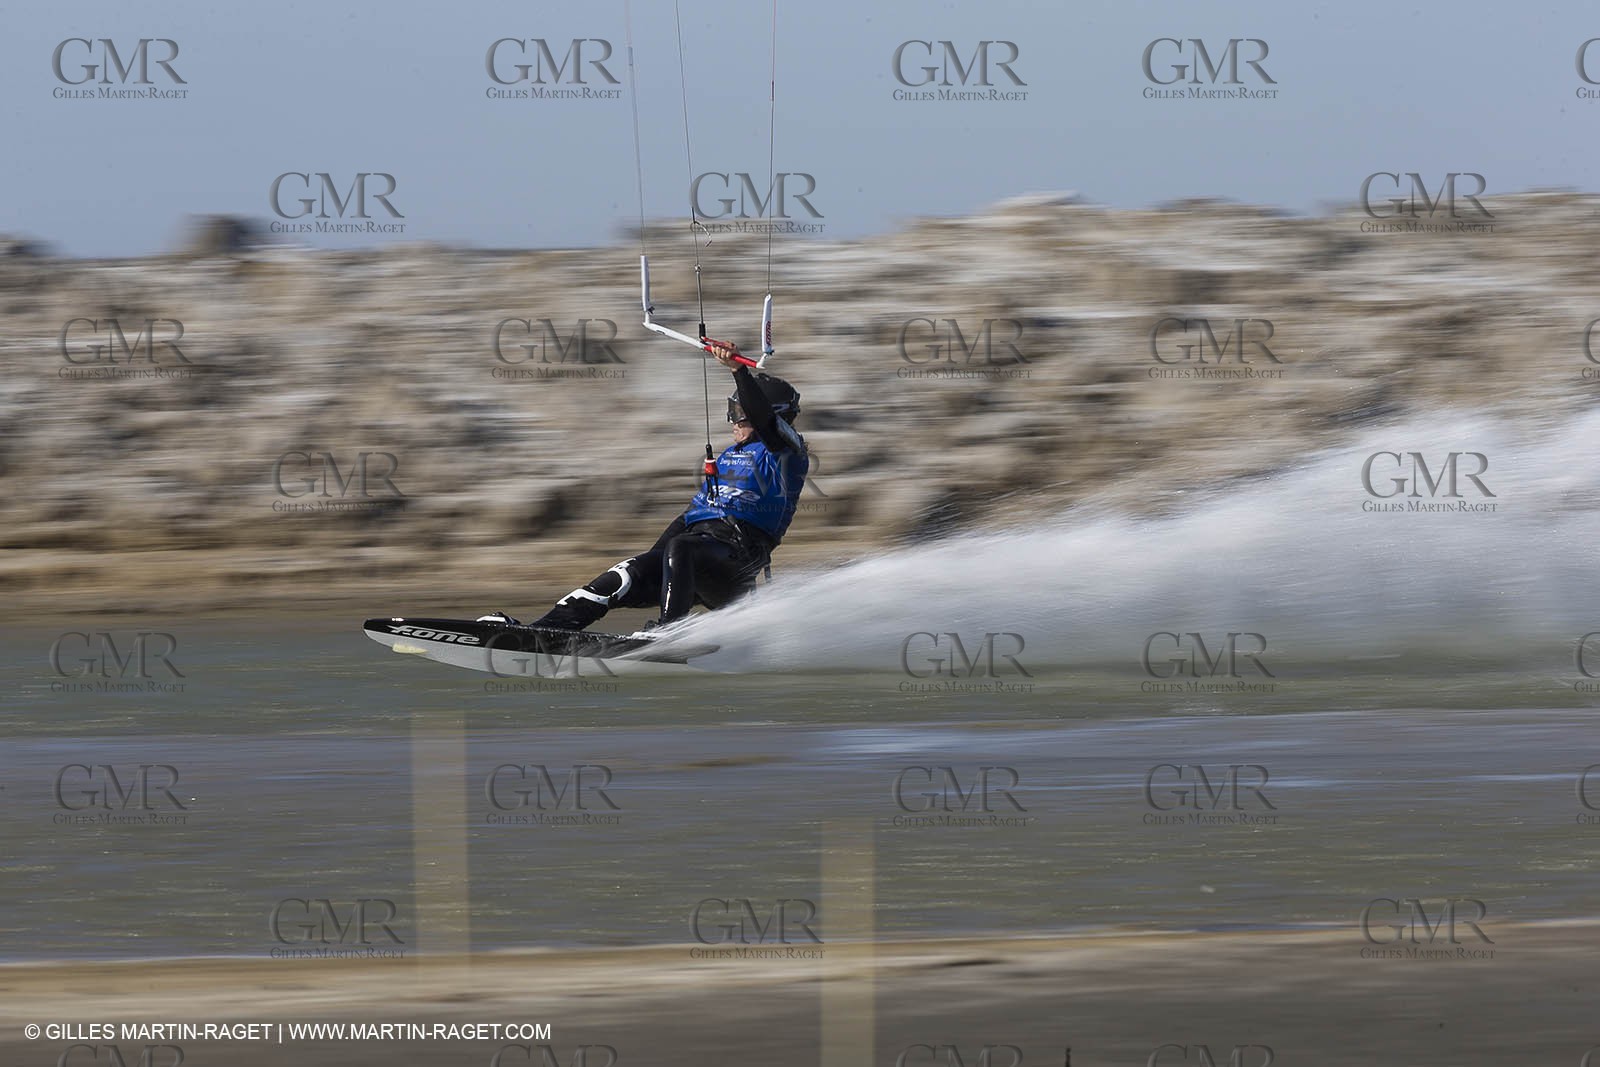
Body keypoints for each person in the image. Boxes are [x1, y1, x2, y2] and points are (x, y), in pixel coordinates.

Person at [483, 341, 808, 634]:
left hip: (735, 565)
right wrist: (652, 562)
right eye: (733, 412)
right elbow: (689, 518)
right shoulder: (729, 457)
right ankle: (541, 631)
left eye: (741, 414)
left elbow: (765, 422)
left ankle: (670, 634)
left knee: (682, 547)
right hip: (693, 554)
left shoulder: (786, 452)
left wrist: (739, 371)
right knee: (621, 576)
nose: (734, 421)